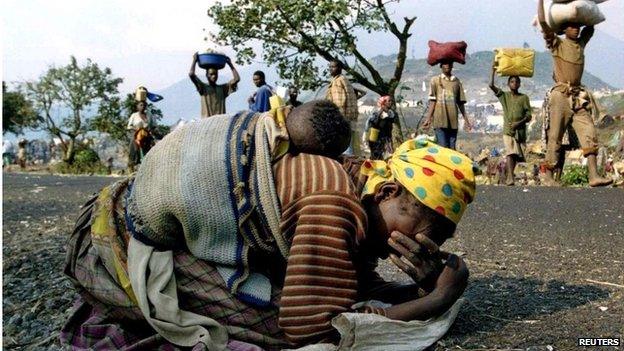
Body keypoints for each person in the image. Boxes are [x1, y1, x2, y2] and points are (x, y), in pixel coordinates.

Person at [61, 104, 475, 350]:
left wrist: (423, 285)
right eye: (424, 228)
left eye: (436, 242)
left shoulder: (354, 182)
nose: (421, 243)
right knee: (271, 330)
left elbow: (348, 283)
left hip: (125, 213)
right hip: (119, 243)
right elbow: (313, 328)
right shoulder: (334, 202)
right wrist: (434, 303)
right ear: (385, 192)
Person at [537, 0, 612, 187]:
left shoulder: (581, 44)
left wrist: (588, 5)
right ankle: (548, 176)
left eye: (578, 25)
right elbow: (544, 24)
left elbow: (591, 27)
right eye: (572, 25)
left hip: (579, 96)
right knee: (555, 135)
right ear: (563, 29)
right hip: (561, 95)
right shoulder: (557, 44)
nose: (576, 29)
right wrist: (541, 2)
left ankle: (594, 175)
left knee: (589, 132)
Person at [489, 67, 532, 186]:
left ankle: (509, 175)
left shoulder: (524, 98)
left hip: (520, 131)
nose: (514, 84)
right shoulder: (504, 96)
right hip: (508, 130)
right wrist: (493, 72)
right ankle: (510, 177)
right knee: (510, 152)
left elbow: (529, 116)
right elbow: (491, 86)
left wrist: (519, 122)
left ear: (520, 84)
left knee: (516, 155)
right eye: (512, 81)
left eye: (517, 82)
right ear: (508, 84)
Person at [422, 61, 472, 150]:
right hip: (439, 120)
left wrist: (466, 120)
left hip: (453, 122)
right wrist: (428, 118)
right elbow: (433, 101)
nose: (447, 65)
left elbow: (460, 103)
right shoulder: (435, 81)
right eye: (445, 63)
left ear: (452, 65)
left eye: (449, 63)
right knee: (443, 148)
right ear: (441, 66)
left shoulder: (456, 82)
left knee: (452, 149)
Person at [326, 59, 366, 155]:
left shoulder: (337, 82)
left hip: (342, 117)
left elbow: (339, 102)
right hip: (350, 117)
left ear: (340, 68)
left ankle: (348, 166)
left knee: (345, 145)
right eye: (330, 67)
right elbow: (361, 94)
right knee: (350, 143)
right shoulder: (345, 80)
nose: (331, 69)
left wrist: (338, 119)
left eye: (333, 67)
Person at [189, 53, 240, 118]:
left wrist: (230, 64)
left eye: (216, 74)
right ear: (207, 75)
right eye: (211, 74)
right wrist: (194, 60)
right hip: (207, 122)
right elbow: (191, 74)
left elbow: (237, 79)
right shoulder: (203, 87)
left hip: (220, 122)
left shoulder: (222, 89)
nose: (214, 76)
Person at [366, 96, 398, 160]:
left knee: (389, 156)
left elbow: (394, 119)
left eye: (391, 101)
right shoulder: (377, 113)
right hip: (377, 139)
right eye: (388, 101)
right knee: (377, 156)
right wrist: (381, 112)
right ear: (383, 102)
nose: (390, 102)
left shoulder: (391, 113)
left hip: (387, 138)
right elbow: (372, 122)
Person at [126, 100, 154, 173]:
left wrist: (149, 129)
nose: (142, 107)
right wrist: (136, 128)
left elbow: (153, 125)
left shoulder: (149, 115)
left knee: (150, 148)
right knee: (134, 147)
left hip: (146, 134)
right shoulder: (134, 115)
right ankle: (132, 163)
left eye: (144, 105)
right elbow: (129, 126)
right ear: (137, 107)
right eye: (140, 105)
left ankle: (148, 166)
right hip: (137, 134)